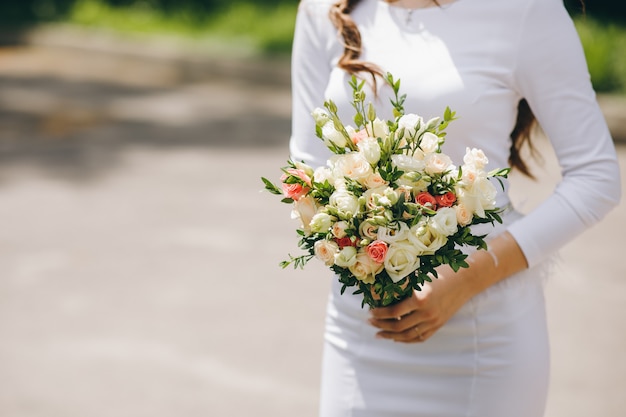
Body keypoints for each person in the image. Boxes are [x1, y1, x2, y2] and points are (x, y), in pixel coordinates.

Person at [288, 0, 621, 416]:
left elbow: (596, 177)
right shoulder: (323, 8)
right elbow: (307, 167)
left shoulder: (526, 10)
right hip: (363, 329)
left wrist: (464, 282)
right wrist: (362, 263)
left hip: (485, 337)